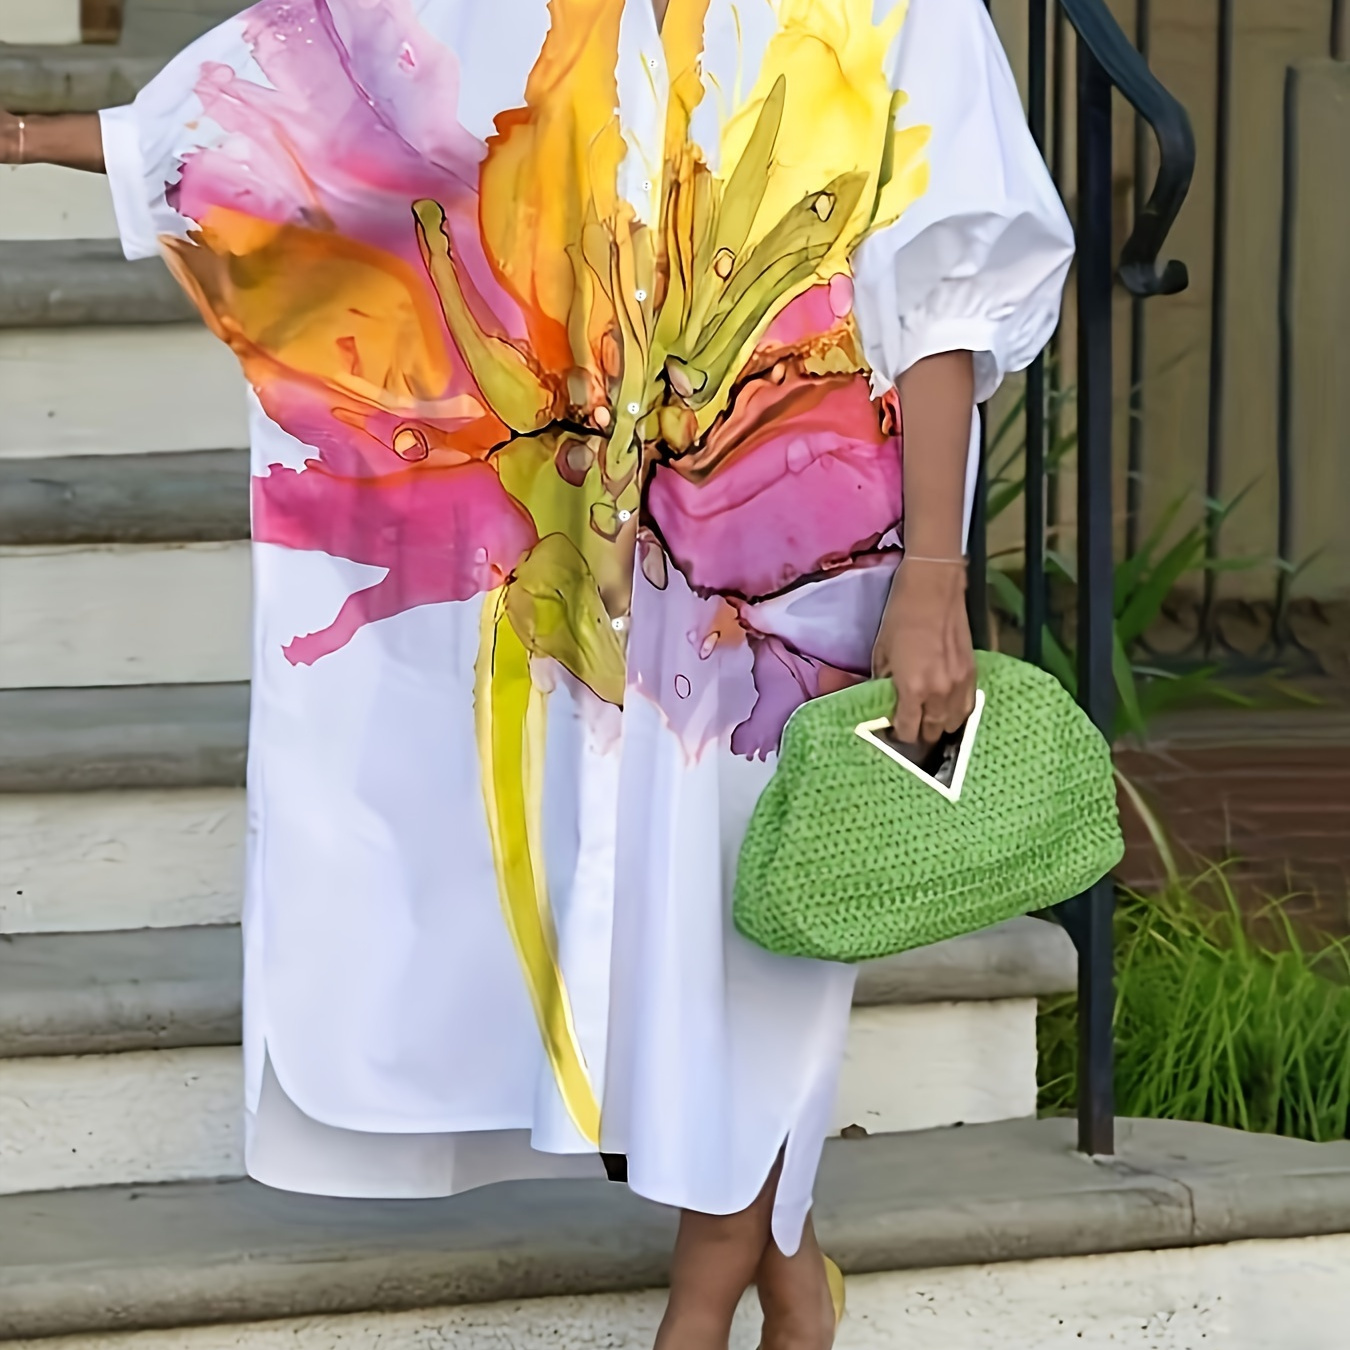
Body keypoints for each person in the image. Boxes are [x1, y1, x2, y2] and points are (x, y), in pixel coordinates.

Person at [1, 0, 1071, 1343]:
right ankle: (791, 1273)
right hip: (595, 557)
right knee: (680, 922)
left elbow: (944, 287)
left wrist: (931, 574)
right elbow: (324, 126)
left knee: (768, 920)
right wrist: (39, 136)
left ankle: (703, 1305)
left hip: (809, 547)